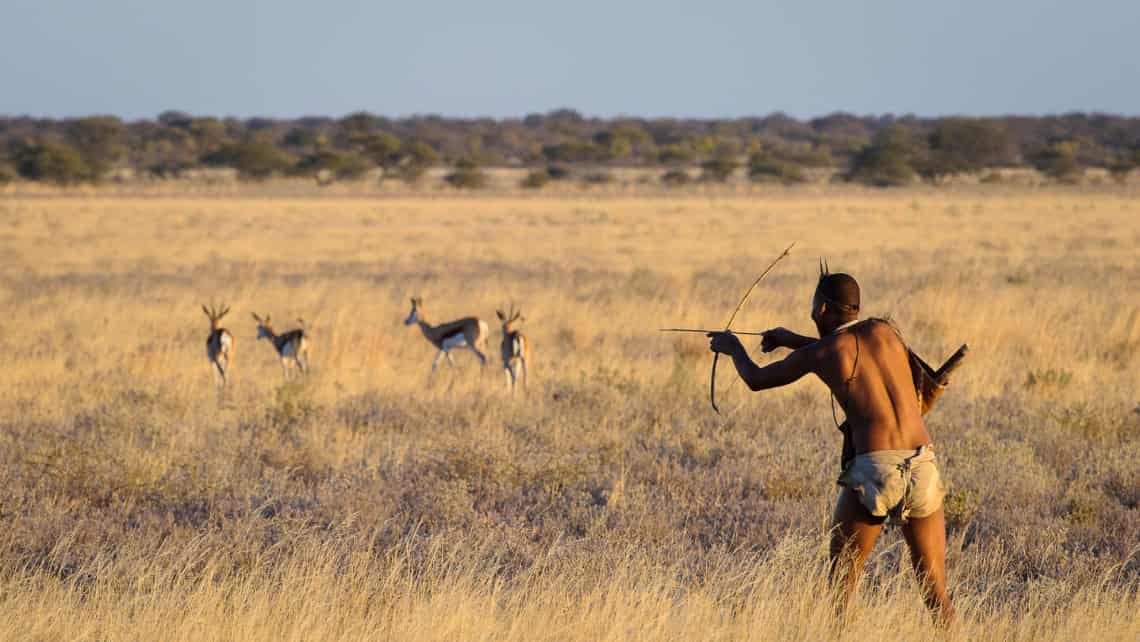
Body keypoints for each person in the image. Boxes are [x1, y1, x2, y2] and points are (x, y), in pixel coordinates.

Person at [707, 271, 955, 626]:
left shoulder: (824, 353)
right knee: (936, 594)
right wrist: (792, 339)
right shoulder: (886, 332)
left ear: (821, 308)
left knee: (842, 589)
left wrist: (733, 348)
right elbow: (849, 351)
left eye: (813, 305)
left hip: (874, 469)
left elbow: (758, 380)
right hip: (923, 463)